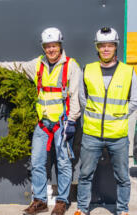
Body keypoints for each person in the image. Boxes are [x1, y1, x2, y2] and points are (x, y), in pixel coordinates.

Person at [0, 27, 81, 215]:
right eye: (47, 46)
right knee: (37, 162)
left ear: (60, 45)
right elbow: (16, 66)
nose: (51, 50)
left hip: (62, 124)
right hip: (42, 124)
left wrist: (72, 122)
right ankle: (40, 201)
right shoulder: (38, 64)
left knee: (64, 164)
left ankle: (62, 202)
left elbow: (76, 96)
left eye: (54, 46)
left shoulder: (71, 66)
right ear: (43, 48)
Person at [74, 27, 137, 215]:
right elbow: (82, 98)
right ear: (97, 48)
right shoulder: (88, 70)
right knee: (85, 174)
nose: (106, 49)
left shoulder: (128, 72)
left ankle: (123, 210)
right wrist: (94, 116)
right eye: (102, 45)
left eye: (110, 45)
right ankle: (82, 209)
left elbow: (134, 100)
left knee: (123, 177)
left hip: (117, 135)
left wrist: (120, 115)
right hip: (92, 134)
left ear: (116, 47)